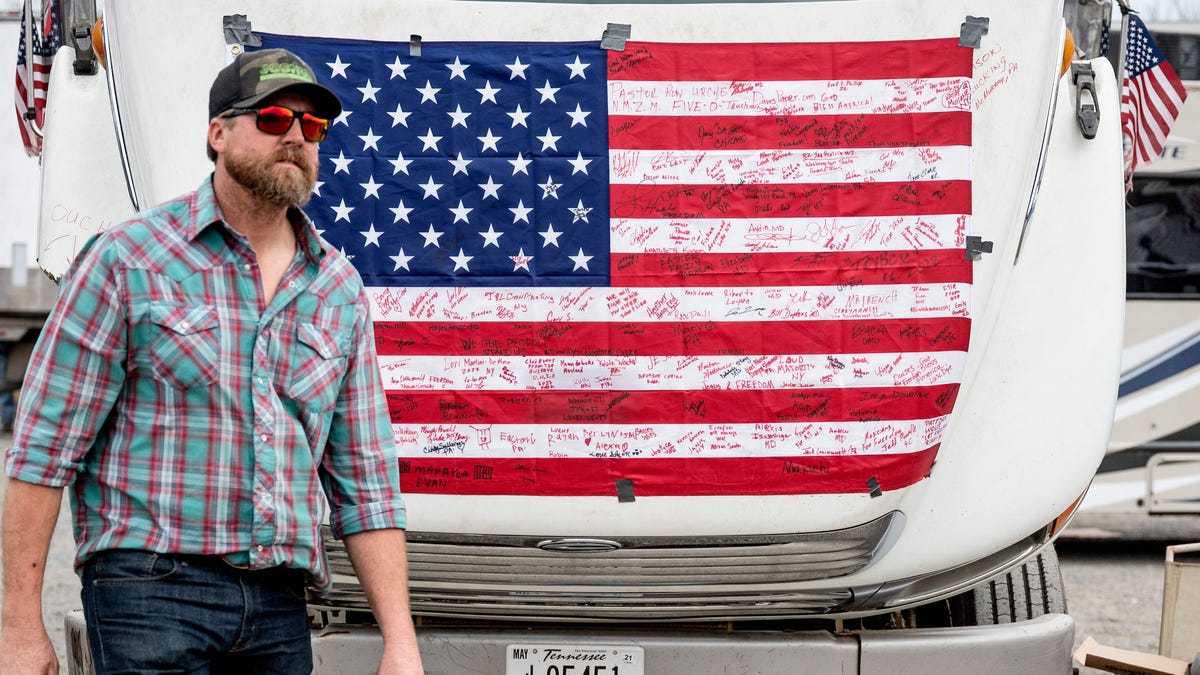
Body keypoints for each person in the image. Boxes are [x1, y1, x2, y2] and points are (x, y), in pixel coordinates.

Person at [0, 48, 424, 674]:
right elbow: (43, 449)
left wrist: (401, 641)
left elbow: (367, 483)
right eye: (276, 118)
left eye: (313, 127)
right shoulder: (127, 259)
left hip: (281, 603)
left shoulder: (337, 287)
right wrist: (16, 629)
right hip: (149, 589)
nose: (297, 137)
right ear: (218, 133)